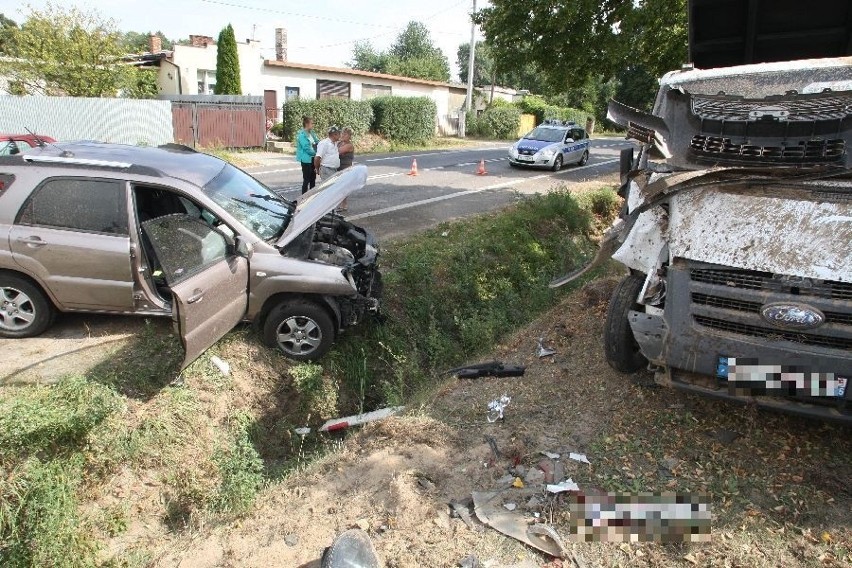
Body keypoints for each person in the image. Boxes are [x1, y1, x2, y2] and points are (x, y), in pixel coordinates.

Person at [296, 116, 319, 194]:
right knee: (306, 179)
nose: (313, 125)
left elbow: (317, 142)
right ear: (306, 124)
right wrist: (317, 153)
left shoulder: (312, 133)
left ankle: (312, 196)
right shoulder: (302, 135)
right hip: (306, 159)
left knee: (313, 178)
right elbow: (306, 148)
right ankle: (303, 197)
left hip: (313, 159)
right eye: (312, 123)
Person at [335, 127, 355, 211]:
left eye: (345, 134)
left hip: (346, 168)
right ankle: (341, 204)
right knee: (339, 186)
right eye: (342, 133)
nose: (343, 135)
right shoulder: (339, 143)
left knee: (343, 187)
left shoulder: (349, 145)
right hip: (338, 167)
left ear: (350, 136)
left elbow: (337, 151)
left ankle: (344, 205)